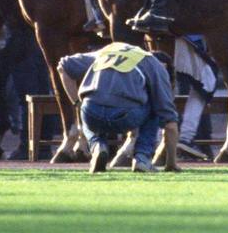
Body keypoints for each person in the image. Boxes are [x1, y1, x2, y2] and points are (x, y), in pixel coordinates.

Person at [58, 41, 180, 173]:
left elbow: (63, 66)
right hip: (126, 115)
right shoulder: (156, 66)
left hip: (91, 113)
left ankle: (98, 146)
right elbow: (170, 125)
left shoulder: (111, 50)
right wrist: (171, 164)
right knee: (155, 108)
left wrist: (77, 103)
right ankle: (142, 158)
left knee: (86, 106)